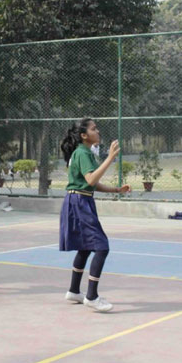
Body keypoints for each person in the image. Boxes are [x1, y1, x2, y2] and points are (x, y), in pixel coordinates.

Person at [59, 118, 131, 313]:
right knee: (101, 246)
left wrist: (116, 190)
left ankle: (74, 291)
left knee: (85, 247)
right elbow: (91, 179)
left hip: (80, 200)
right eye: (94, 129)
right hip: (79, 203)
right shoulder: (82, 153)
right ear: (84, 135)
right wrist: (110, 158)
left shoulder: (83, 152)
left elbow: (90, 183)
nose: (97, 131)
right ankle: (91, 296)